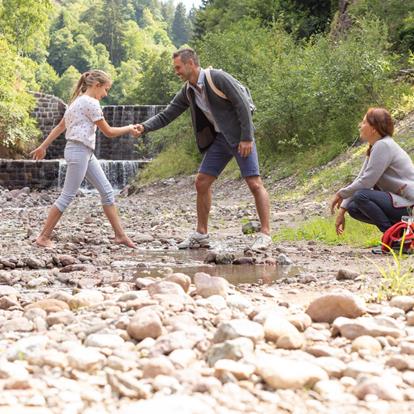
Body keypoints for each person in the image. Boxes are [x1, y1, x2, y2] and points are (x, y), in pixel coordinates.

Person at [135, 48, 272, 251]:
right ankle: (201, 234)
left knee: (254, 183)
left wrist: (246, 137)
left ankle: (266, 234)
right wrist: (144, 127)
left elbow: (242, 104)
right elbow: (167, 114)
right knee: (201, 182)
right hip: (220, 140)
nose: (177, 72)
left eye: (178, 67)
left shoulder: (217, 77)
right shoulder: (188, 90)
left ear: (191, 63)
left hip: (239, 137)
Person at [30, 70, 140, 248]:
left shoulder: (76, 102)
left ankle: (120, 235)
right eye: (106, 89)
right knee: (67, 196)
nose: (106, 94)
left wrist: (44, 146)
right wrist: (129, 127)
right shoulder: (91, 103)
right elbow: (109, 132)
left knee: (107, 191)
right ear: (96, 85)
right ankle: (43, 237)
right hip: (78, 152)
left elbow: (60, 127)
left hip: (84, 152)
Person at [331, 107, 414, 235]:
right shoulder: (376, 146)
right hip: (401, 203)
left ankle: (392, 238)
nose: (360, 125)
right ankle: (399, 236)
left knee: (361, 196)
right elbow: (360, 178)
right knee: (353, 208)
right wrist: (342, 209)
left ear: (374, 129)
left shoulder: (383, 145)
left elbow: (366, 183)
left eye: (364, 122)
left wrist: (340, 194)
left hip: (410, 205)